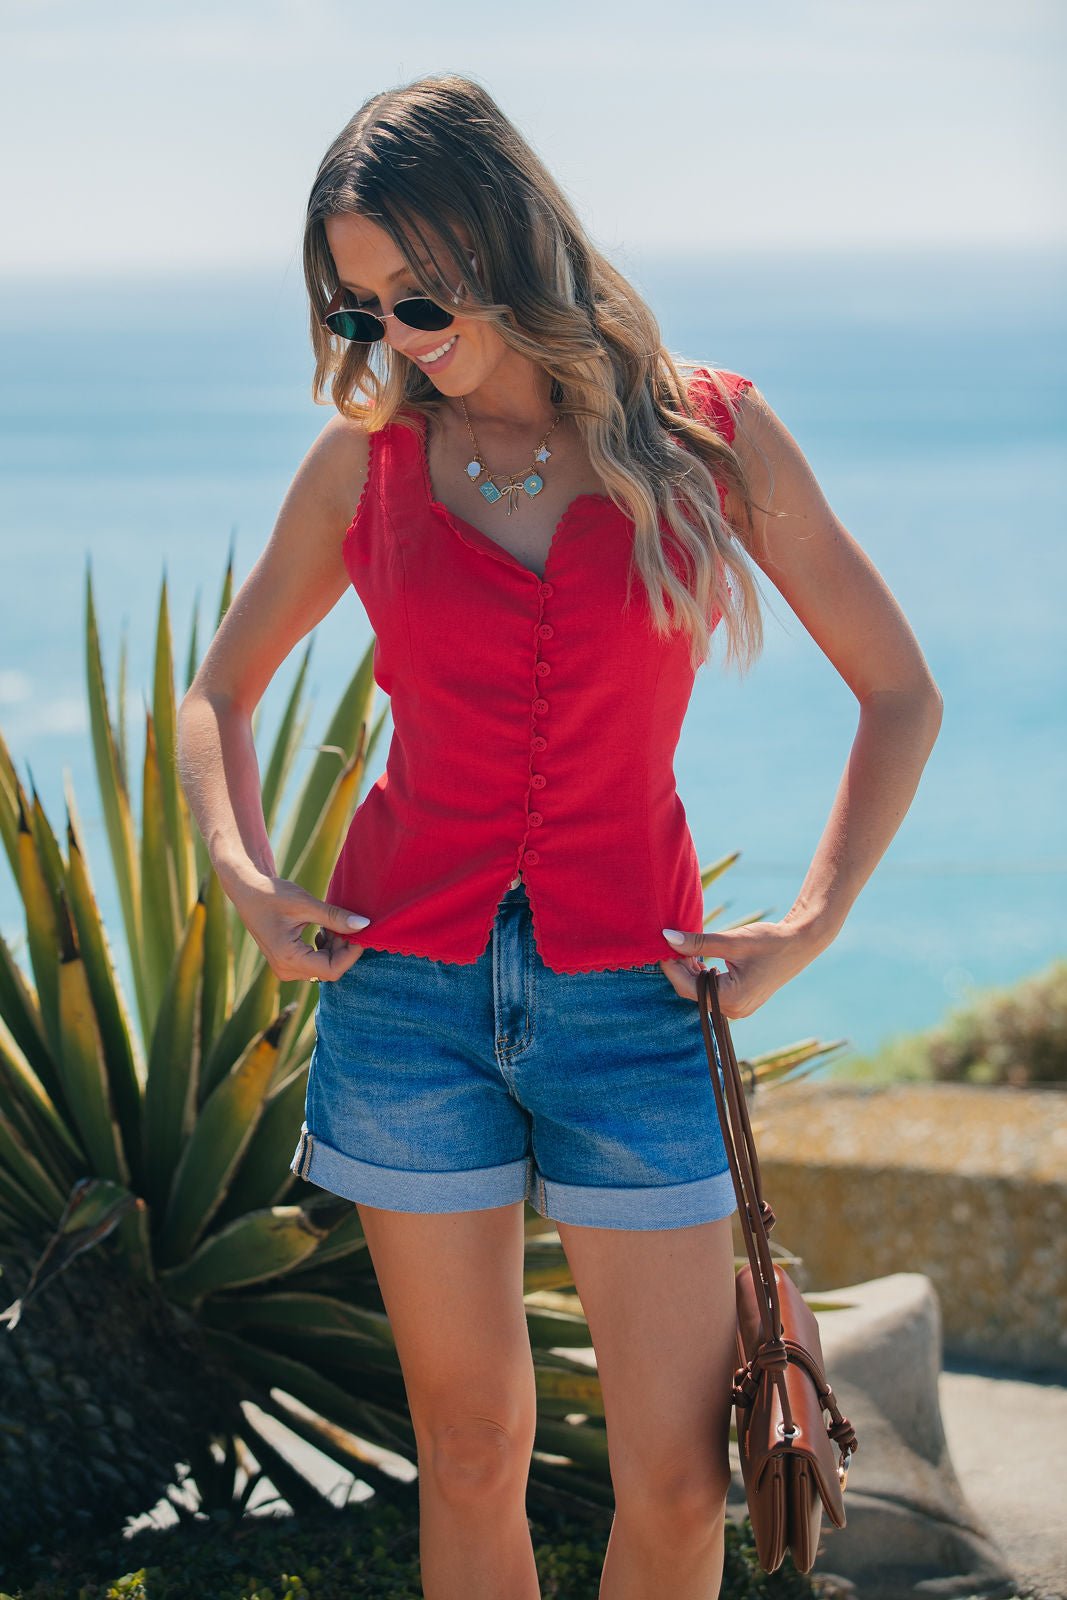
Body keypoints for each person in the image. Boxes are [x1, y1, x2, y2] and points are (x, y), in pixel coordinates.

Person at [176, 72, 942, 1600]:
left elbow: (898, 691)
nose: (400, 336)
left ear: (508, 232)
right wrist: (250, 880)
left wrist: (812, 919)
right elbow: (219, 693)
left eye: (422, 290)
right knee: (469, 1453)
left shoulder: (709, 438)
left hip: (638, 1009)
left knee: (671, 1485)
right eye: (363, 310)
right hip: (408, 1008)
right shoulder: (366, 469)